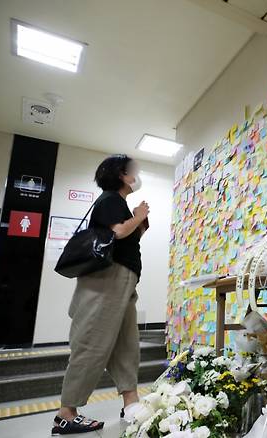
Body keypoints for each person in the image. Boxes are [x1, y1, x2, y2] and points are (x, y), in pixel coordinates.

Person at [52, 154, 149, 435]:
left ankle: (131, 402)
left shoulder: (119, 204)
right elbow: (117, 233)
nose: (136, 174)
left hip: (124, 279)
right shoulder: (109, 199)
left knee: (125, 344)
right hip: (107, 279)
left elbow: (126, 238)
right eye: (133, 170)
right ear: (121, 174)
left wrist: (139, 223)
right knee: (92, 343)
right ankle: (66, 412)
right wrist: (138, 217)